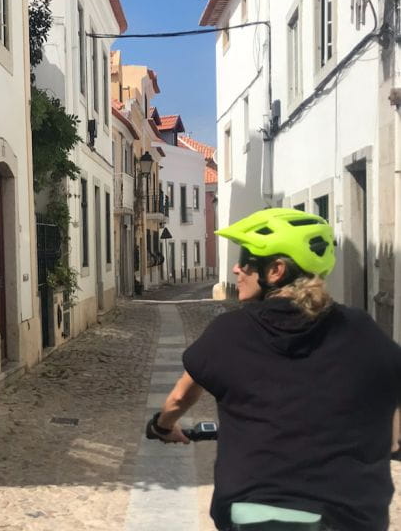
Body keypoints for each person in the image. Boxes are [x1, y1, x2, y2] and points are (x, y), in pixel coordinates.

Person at [147, 208, 401, 531]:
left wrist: (163, 426)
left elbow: (180, 399)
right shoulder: (362, 330)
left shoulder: (229, 332)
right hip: (349, 516)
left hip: (257, 510)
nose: (236, 268)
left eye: (247, 260)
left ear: (276, 270)